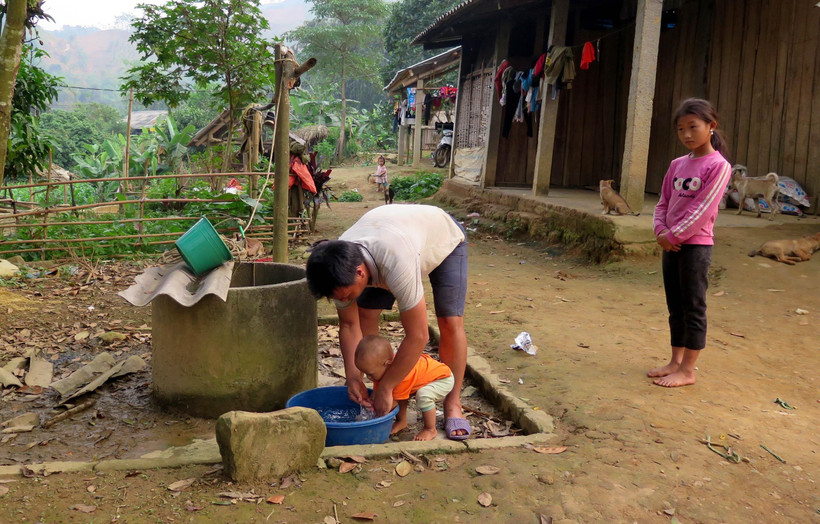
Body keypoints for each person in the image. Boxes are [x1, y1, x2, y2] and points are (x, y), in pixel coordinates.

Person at [306, 204, 471, 440]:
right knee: (365, 314)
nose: (342, 301)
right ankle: (384, 386)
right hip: (389, 233)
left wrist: (386, 387)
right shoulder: (337, 265)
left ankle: (453, 402)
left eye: (345, 296)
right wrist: (354, 377)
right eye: (337, 298)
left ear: (361, 273)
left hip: (441, 237)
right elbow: (350, 325)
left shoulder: (396, 262)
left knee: (448, 320)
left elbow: (418, 336)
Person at [648, 98, 732, 387]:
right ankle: (674, 361)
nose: (686, 135)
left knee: (693, 306)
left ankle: (687, 370)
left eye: (693, 127)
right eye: (681, 129)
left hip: (695, 247)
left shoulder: (719, 166)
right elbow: (663, 203)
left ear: (711, 126)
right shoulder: (676, 165)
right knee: (676, 306)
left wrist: (672, 236)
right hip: (669, 244)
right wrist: (660, 230)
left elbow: (703, 209)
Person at [355, 334, 454, 441]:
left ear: (387, 364)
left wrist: (375, 414)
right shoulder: (381, 370)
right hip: (423, 378)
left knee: (423, 395)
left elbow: (389, 405)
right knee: (400, 394)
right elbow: (378, 392)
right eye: (365, 374)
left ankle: (430, 429)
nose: (368, 377)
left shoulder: (402, 375)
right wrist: (371, 400)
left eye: (370, 374)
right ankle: (401, 421)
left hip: (442, 379)